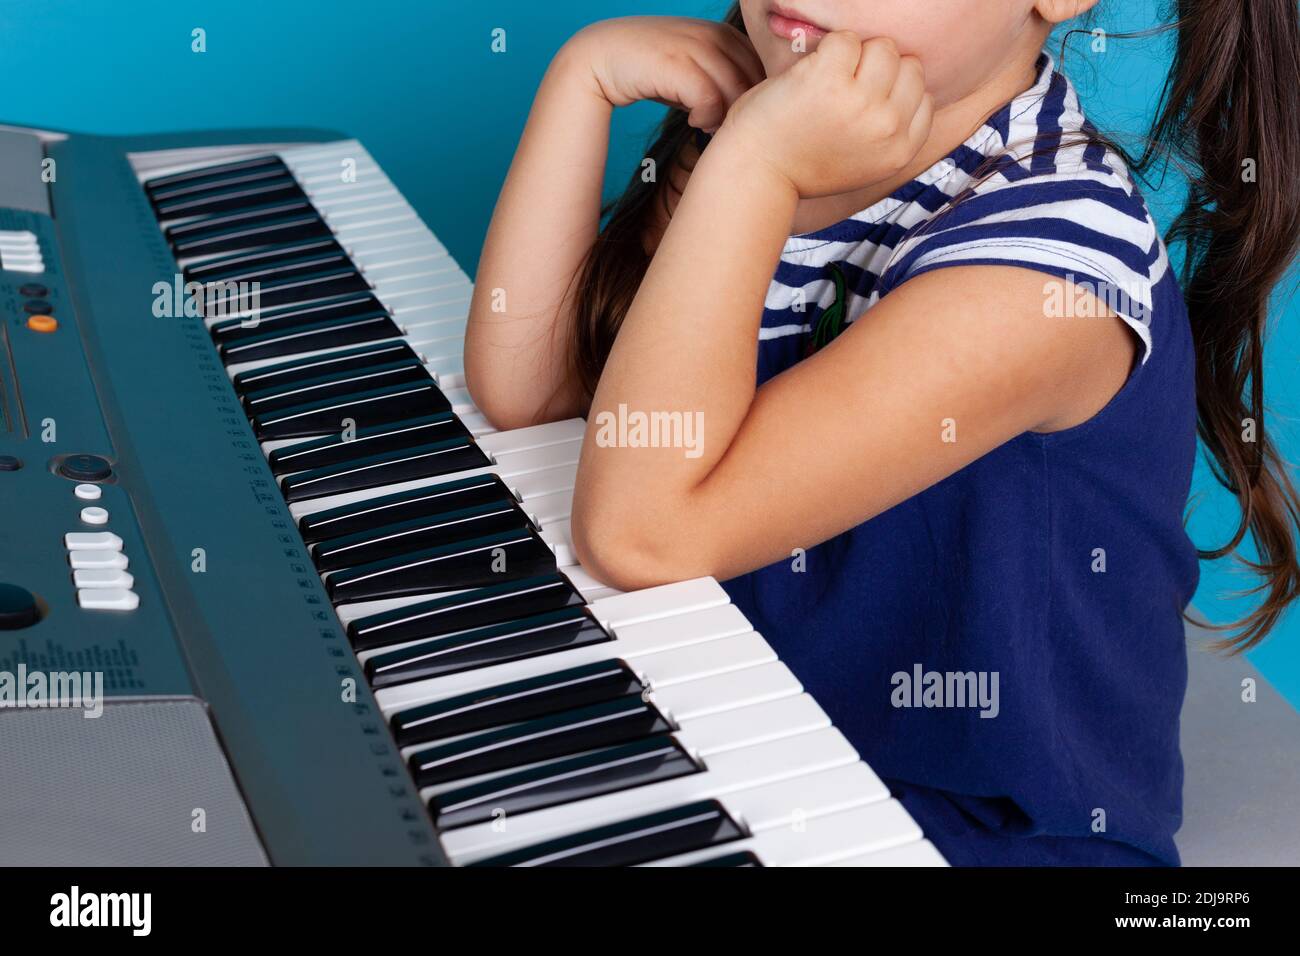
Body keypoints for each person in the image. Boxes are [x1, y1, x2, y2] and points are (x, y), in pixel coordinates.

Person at [464, 0, 1300, 865]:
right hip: (747, 732)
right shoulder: (778, 118)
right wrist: (583, 78)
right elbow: (537, 391)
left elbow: (641, 533)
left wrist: (754, 164)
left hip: (968, 828)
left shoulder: (1049, 261)